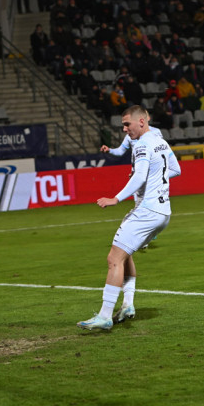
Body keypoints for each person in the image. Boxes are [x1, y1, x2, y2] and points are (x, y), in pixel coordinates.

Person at [78, 106, 181, 331]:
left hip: (147, 210)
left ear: (141, 122)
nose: (125, 129)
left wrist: (116, 198)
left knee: (114, 258)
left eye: (127, 124)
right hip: (163, 212)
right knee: (125, 253)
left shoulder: (143, 143)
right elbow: (175, 169)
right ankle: (127, 305)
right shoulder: (160, 140)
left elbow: (140, 176)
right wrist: (155, 176)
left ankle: (105, 316)